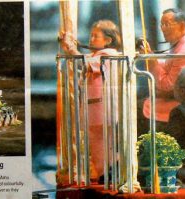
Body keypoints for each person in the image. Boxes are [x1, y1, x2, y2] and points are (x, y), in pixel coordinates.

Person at [59, 20, 121, 181]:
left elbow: (83, 61)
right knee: (98, 144)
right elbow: (82, 58)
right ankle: (103, 172)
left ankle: (106, 173)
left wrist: (72, 49)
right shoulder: (97, 54)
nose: (91, 39)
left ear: (108, 40)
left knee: (102, 144)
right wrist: (69, 47)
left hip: (101, 108)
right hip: (96, 107)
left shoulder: (109, 54)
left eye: (96, 36)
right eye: (91, 35)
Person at [138, 8, 185, 135]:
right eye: (161, 24)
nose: (163, 29)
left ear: (181, 25)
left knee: (135, 108)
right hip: (173, 98)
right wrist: (151, 55)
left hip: (177, 102)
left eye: (167, 24)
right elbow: (168, 68)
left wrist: (151, 61)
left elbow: (167, 87)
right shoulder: (180, 46)